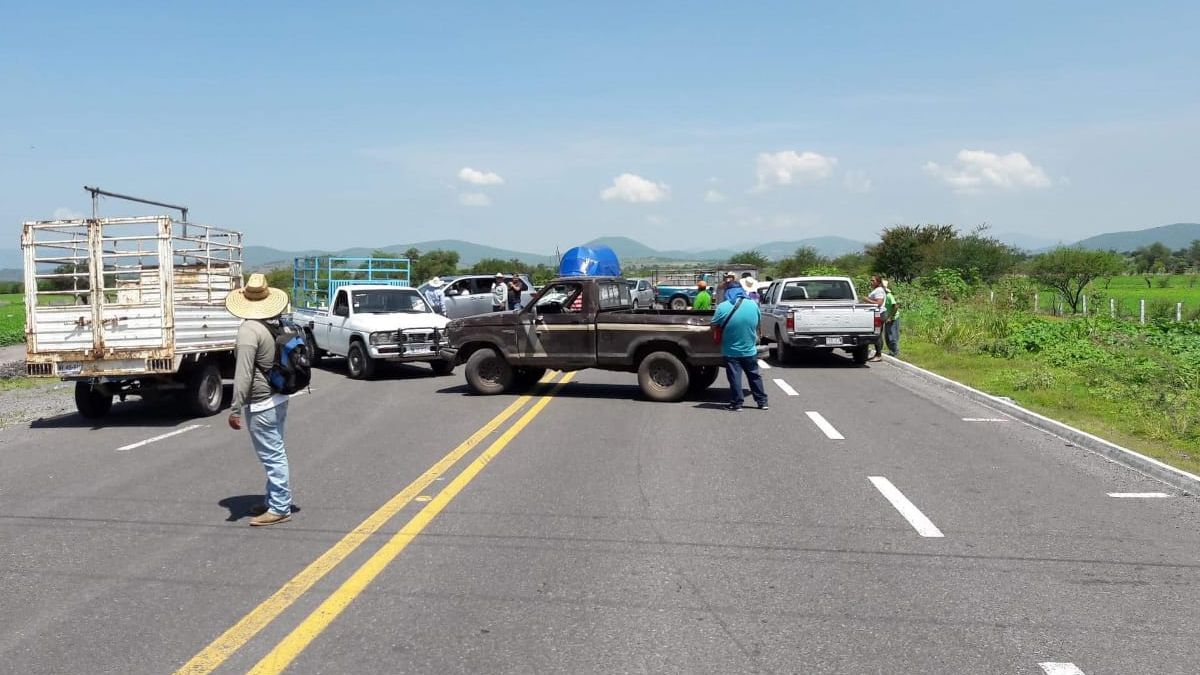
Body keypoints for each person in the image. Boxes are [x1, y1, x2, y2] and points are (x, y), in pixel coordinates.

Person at [225, 273, 294, 527]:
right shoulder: (274, 323)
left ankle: (279, 507)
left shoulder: (248, 330)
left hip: (262, 401)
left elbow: (243, 374)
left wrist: (235, 408)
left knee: (272, 454)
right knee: (275, 450)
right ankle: (273, 499)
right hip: (279, 395)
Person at [710, 285, 768, 411]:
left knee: (735, 377)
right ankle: (762, 402)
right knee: (754, 376)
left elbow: (713, 325)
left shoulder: (722, 307)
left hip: (731, 351)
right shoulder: (753, 305)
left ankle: (737, 404)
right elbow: (758, 323)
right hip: (749, 349)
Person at [865, 274, 886, 361]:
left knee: (877, 334)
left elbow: (879, 303)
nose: (871, 282)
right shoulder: (876, 290)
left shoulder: (879, 290)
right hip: (876, 314)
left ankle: (878, 354)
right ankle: (877, 354)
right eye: (871, 280)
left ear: (878, 282)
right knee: (877, 334)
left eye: (873, 281)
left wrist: (867, 300)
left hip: (879, 314)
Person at [883, 280, 900, 357]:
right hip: (887, 318)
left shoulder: (889, 296)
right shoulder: (883, 296)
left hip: (893, 318)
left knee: (892, 335)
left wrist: (890, 317)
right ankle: (891, 351)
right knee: (887, 336)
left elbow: (895, 306)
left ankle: (894, 352)